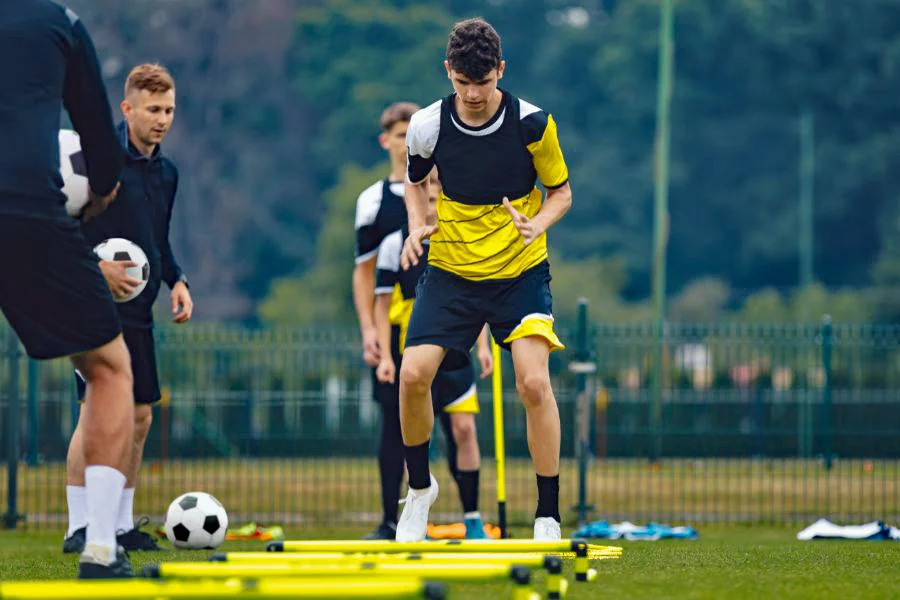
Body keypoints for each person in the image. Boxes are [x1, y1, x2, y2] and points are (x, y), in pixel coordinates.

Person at [396, 17, 573, 542]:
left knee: (533, 383)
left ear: (501, 70)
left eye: (484, 81)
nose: (473, 94)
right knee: (412, 376)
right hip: (451, 271)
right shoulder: (427, 125)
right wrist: (415, 227)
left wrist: (535, 224)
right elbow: (414, 184)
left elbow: (561, 192)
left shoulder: (534, 125)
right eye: (463, 82)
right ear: (448, 72)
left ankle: (547, 512)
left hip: (519, 272)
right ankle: (421, 490)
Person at [0, 0, 136, 578]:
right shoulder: (59, 21)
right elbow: (97, 131)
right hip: (25, 205)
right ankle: (101, 545)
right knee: (108, 368)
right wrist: (102, 188)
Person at [63, 63, 192, 555]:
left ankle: (119, 523)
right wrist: (98, 269)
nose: (162, 119)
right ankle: (79, 525)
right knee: (96, 413)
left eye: (169, 111)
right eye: (153, 110)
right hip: (92, 305)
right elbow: (65, 231)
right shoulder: (94, 163)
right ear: (127, 108)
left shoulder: (167, 173)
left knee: (139, 417)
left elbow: (156, 238)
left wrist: (176, 279)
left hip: (140, 311)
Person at [374, 169, 493, 539]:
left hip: (457, 356)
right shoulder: (397, 242)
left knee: (465, 430)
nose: (433, 194)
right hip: (416, 350)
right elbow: (380, 304)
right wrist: (385, 356)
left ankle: (472, 518)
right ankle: (418, 514)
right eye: (427, 187)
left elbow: (480, 295)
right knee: (417, 434)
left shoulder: (463, 238)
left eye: (440, 186)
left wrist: (485, 347)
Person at [351, 102, 419, 539]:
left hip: (435, 324)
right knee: (393, 425)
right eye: (398, 134)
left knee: (453, 423)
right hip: (390, 328)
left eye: (412, 133)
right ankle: (388, 519)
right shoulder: (372, 201)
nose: (405, 142)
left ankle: (439, 514)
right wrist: (370, 333)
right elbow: (363, 272)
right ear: (386, 141)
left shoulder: (439, 190)